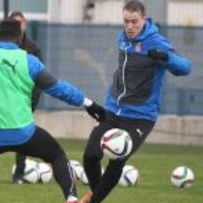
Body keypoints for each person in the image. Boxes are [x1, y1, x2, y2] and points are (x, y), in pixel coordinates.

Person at [0, 19, 105, 203]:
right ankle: (71, 197)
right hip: (23, 134)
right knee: (57, 155)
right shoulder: (29, 61)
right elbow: (58, 88)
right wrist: (88, 103)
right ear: (20, 37)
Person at [79, 1, 191, 203]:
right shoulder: (123, 37)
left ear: (143, 19)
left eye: (134, 22)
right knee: (90, 156)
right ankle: (96, 195)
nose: (129, 26)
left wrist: (166, 57)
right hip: (113, 111)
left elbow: (185, 68)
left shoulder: (156, 41)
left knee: (117, 160)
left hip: (140, 117)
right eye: (126, 21)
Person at [0, 11, 44, 184]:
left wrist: (31, 102)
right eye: (15, 23)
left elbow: (39, 79)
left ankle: (19, 174)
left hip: (24, 101)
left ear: (25, 25)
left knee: (23, 136)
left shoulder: (33, 49)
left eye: (21, 23)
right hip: (2, 100)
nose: (19, 26)